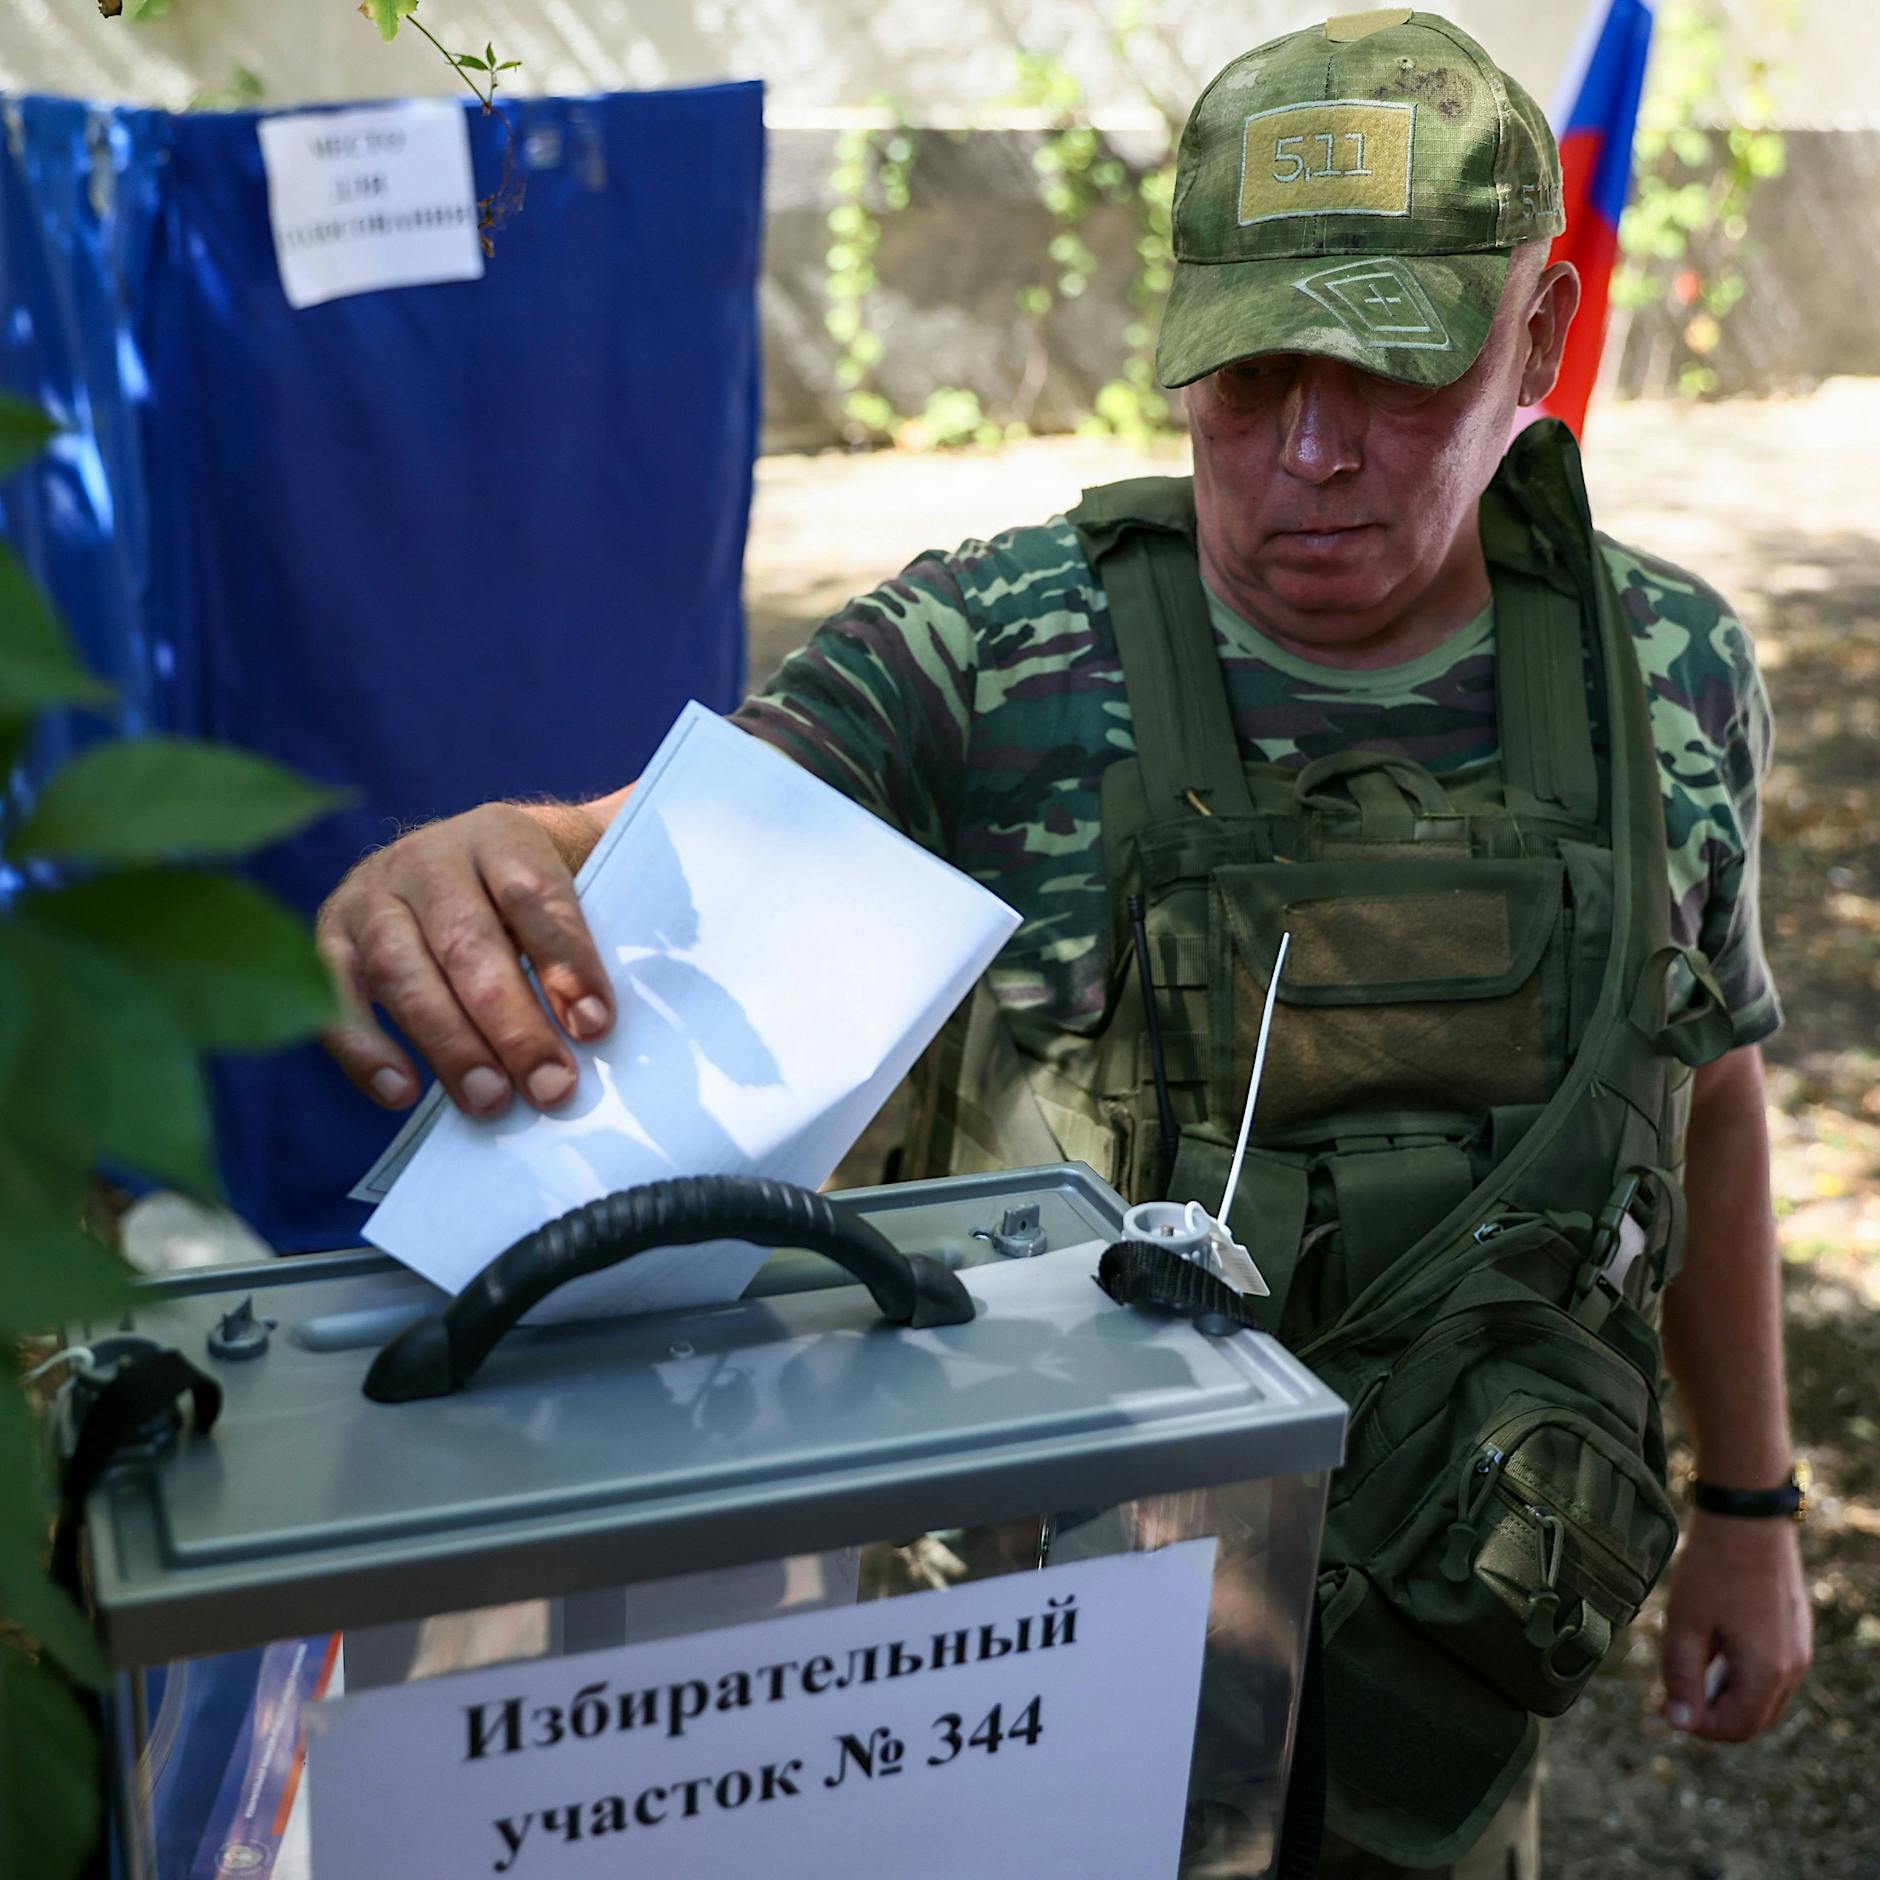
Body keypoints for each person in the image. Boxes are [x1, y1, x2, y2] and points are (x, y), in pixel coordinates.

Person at [315, 11, 1808, 1873]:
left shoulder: (1662, 670)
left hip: (1458, 1652)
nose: (1312, 454)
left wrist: (1750, 1504)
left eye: (1392, 372)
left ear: (1538, 335)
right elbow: (659, 848)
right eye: (1248, 378)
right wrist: (478, 861)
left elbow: (1711, 1085)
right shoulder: (992, 651)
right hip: (1027, 1673)